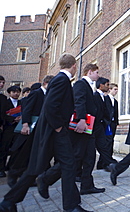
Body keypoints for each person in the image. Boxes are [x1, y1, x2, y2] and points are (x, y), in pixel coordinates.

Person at [0, 53, 91, 212]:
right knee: (62, 164)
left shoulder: (59, 79)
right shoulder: (62, 80)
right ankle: (70, 206)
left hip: (52, 130)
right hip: (54, 130)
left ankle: (9, 201)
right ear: (74, 65)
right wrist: (59, 128)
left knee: (43, 166)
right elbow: (50, 106)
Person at [36, 63, 105, 197]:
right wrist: (82, 119)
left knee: (90, 157)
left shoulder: (90, 86)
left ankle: (86, 185)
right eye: (97, 72)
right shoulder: (80, 84)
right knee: (75, 156)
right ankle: (45, 179)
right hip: (82, 126)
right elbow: (79, 101)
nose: (98, 75)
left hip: (89, 128)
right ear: (89, 72)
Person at [7, 75, 54, 187]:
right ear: (46, 83)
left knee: (35, 154)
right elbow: (27, 109)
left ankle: (29, 177)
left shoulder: (48, 95)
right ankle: (13, 173)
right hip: (30, 128)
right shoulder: (36, 93)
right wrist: (25, 124)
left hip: (41, 129)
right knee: (23, 152)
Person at [94, 77, 117, 171]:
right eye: (107, 85)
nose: (108, 87)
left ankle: (108, 163)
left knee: (104, 145)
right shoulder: (95, 96)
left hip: (104, 125)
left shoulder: (103, 96)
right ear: (101, 85)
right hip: (97, 125)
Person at [0, 86, 21, 178]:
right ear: (9, 93)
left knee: (16, 149)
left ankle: (12, 167)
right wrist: (13, 119)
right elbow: (3, 114)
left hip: (18, 128)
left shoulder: (22, 103)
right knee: (4, 148)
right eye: (14, 92)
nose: (16, 93)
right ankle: (1, 168)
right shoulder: (6, 102)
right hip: (8, 128)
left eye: (18, 92)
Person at [105, 83, 119, 164]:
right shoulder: (105, 99)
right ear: (110, 89)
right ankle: (106, 160)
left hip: (113, 123)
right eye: (115, 89)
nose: (116, 91)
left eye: (117, 90)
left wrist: (116, 122)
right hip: (107, 123)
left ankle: (109, 157)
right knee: (107, 141)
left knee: (111, 140)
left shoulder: (115, 101)